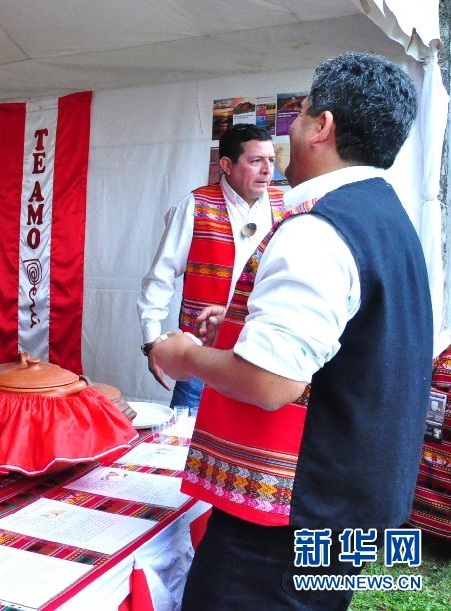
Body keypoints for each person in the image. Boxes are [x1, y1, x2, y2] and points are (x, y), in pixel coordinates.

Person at [151, 52, 430, 609]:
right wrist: (237, 324)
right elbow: (352, 339)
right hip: (346, 508)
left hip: (288, 520)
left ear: (322, 127)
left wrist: (181, 356)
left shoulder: (320, 228)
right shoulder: (385, 215)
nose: (288, 136)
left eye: (300, 116)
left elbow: (271, 381)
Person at [137, 123, 284, 409]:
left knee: (248, 435)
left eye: (271, 160)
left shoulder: (286, 206)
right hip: (201, 356)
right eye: (256, 161)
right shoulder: (195, 205)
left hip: (264, 354)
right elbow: (160, 278)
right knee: (188, 434)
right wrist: (152, 341)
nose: (268, 170)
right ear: (227, 165)